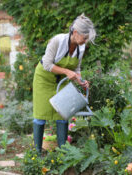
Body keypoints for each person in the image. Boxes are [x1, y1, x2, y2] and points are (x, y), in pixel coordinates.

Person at [33, 13, 96, 153]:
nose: (85, 41)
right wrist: (67, 72)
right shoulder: (57, 41)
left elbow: (76, 68)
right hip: (43, 79)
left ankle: (63, 152)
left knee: (63, 113)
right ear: (75, 32)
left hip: (60, 81)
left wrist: (81, 81)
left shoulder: (81, 48)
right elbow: (47, 65)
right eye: (84, 38)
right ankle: (37, 153)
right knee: (40, 116)